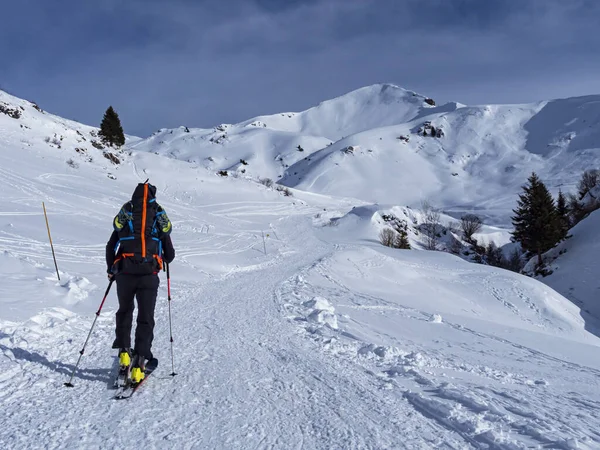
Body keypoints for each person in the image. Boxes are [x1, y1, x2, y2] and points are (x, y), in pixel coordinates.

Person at [105, 181, 175, 383]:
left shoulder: (126, 215)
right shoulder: (157, 218)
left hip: (124, 274)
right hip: (148, 276)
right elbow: (169, 255)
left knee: (124, 311)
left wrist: (111, 269)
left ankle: (125, 352)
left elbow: (111, 245)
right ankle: (140, 363)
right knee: (146, 317)